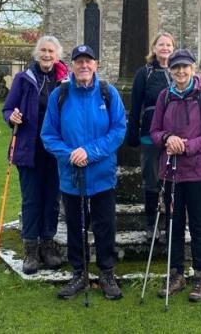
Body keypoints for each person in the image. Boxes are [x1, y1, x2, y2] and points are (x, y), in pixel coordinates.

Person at [41, 44, 127, 301]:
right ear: (72, 66)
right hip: (71, 176)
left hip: (101, 175)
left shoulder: (108, 94)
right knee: (76, 226)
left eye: (88, 61)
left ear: (96, 65)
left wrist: (90, 152)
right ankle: (79, 273)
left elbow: (118, 131)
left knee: (104, 226)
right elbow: (49, 135)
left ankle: (106, 272)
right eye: (79, 62)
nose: (84, 66)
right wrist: (70, 154)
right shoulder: (60, 95)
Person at [149, 48, 201, 303]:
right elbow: (154, 131)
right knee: (174, 224)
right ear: (171, 70)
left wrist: (186, 145)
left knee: (199, 226)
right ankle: (176, 274)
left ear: (193, 69)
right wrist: (168, 138)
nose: (180, 71)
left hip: (198, 172)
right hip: (170, 173)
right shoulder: (164, 97)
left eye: (185, 67)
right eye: (176, 67)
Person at [1, 35, 68, 275]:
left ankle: (47, 247)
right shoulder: (23, 79)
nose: (47, 55)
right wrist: (12, 117)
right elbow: (7, 108)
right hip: (29, 148)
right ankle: (31, 249)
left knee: (52, 199)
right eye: (43, 51)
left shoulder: (65, 82)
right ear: (36, 54)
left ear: (57, 55)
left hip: (55, 150)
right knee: (32, 199)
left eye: (51, 51)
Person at [126, 31, 175, 240]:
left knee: (172, 179)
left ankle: (169, 222)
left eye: (168, 45)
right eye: (161, 44)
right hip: (149, 133)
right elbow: (135, 104)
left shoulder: (177, 72)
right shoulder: (144, 73)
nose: (165, 48)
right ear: (154, 49)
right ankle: (150, 222)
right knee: (152, 179)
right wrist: (133, 132)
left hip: (174, 134)